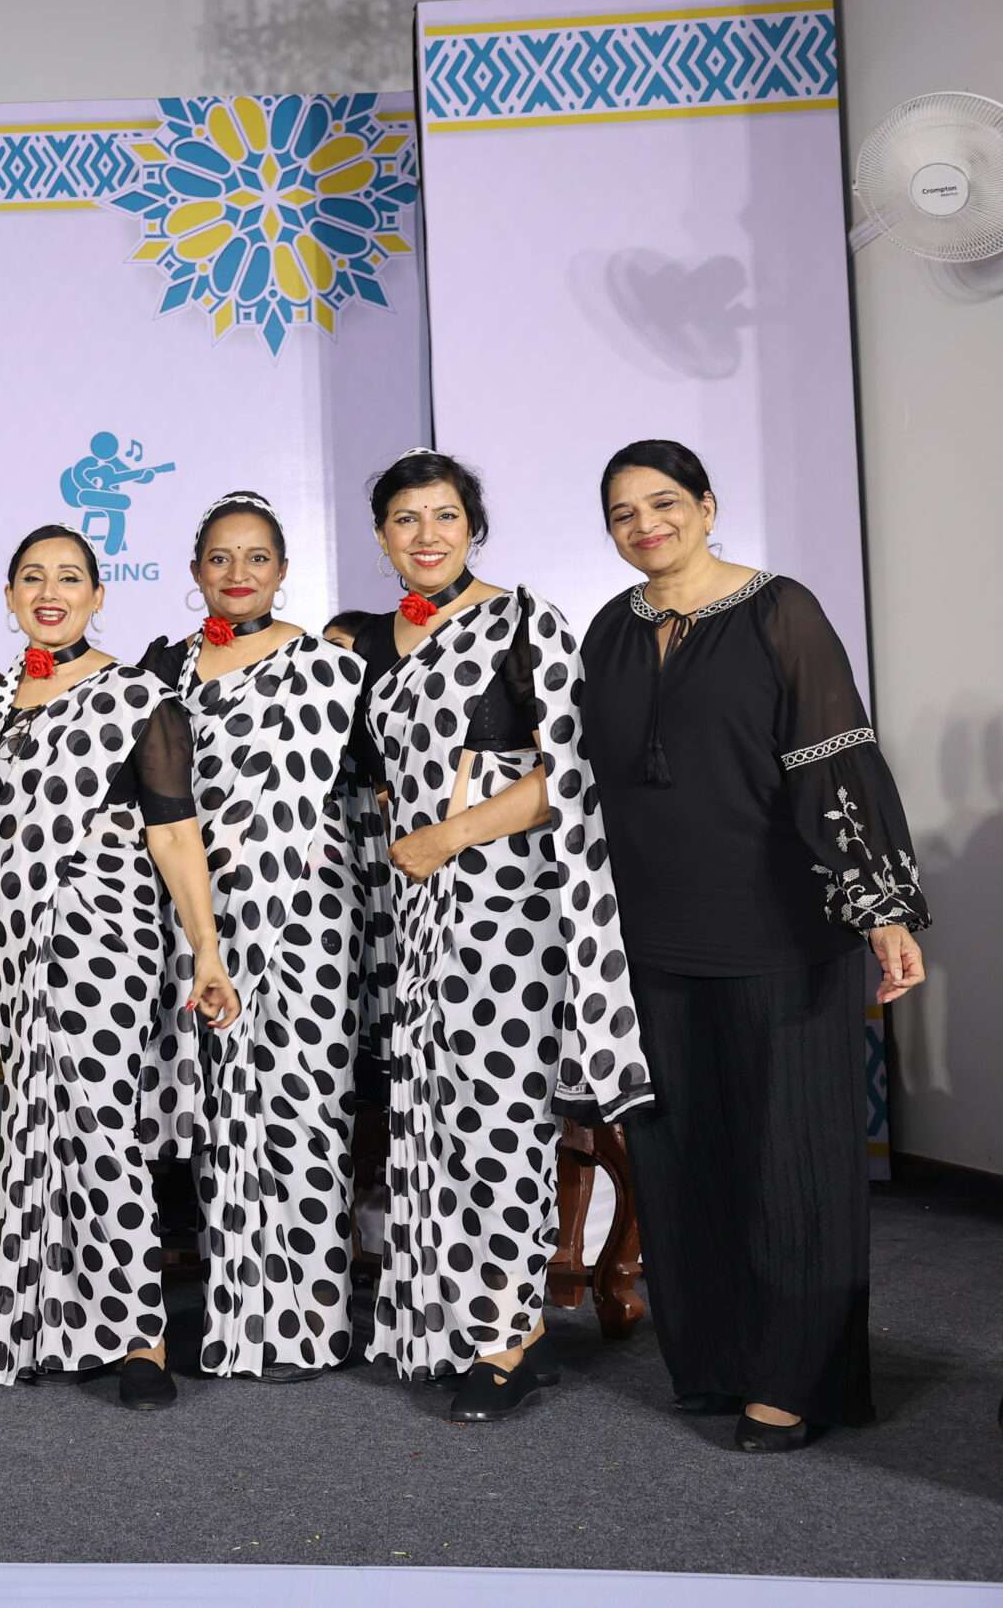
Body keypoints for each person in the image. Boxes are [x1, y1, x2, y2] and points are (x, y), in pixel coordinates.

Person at [582, 439, 927, 1453]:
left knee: (790, 1159)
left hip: (780, 930)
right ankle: (716, 1360)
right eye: (622, 513)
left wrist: (882, 910)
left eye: (663, 502)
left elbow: (837, 765)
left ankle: (792, 1379)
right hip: (651, 940)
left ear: (706, 505)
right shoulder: (609, 629)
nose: (645, 524)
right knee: (682, 1160)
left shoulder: (782, 611)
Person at [347, 450, 653, 1421]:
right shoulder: (376, 642)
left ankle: (509, 1337)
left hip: (508, 911)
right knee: (432, 1123)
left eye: (444, 515)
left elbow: (574, 772)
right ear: (382, 536)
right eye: (405, 519)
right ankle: (457, 1321)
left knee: (499, 1122)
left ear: (472, 527)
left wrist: (450, 834)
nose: (426, 534)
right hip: (415, 913)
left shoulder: (525, 623)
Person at [0, 525, 238, 1406]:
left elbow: (175, 831)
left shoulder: (137, 696)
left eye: (69, 577)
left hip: (102, 934)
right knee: (35, 1123)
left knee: (103, 1124)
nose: (50, 592)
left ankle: (141, 1338)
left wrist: (206, 947)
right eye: (32, 577)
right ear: (10, 596)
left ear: (98, 594)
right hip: (6, 940)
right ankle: (42, 1318)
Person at [141, 493, 369, 1381]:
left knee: (304, 1105)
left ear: (283, 571)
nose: (238, 574)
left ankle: (309, 1322)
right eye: (220, 558)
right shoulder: (162, 669)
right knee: (224, 1109)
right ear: (196, 571)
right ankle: (237, 1314)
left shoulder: (329, 666)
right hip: (198, 912)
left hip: (304, 914)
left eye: (257, 558)